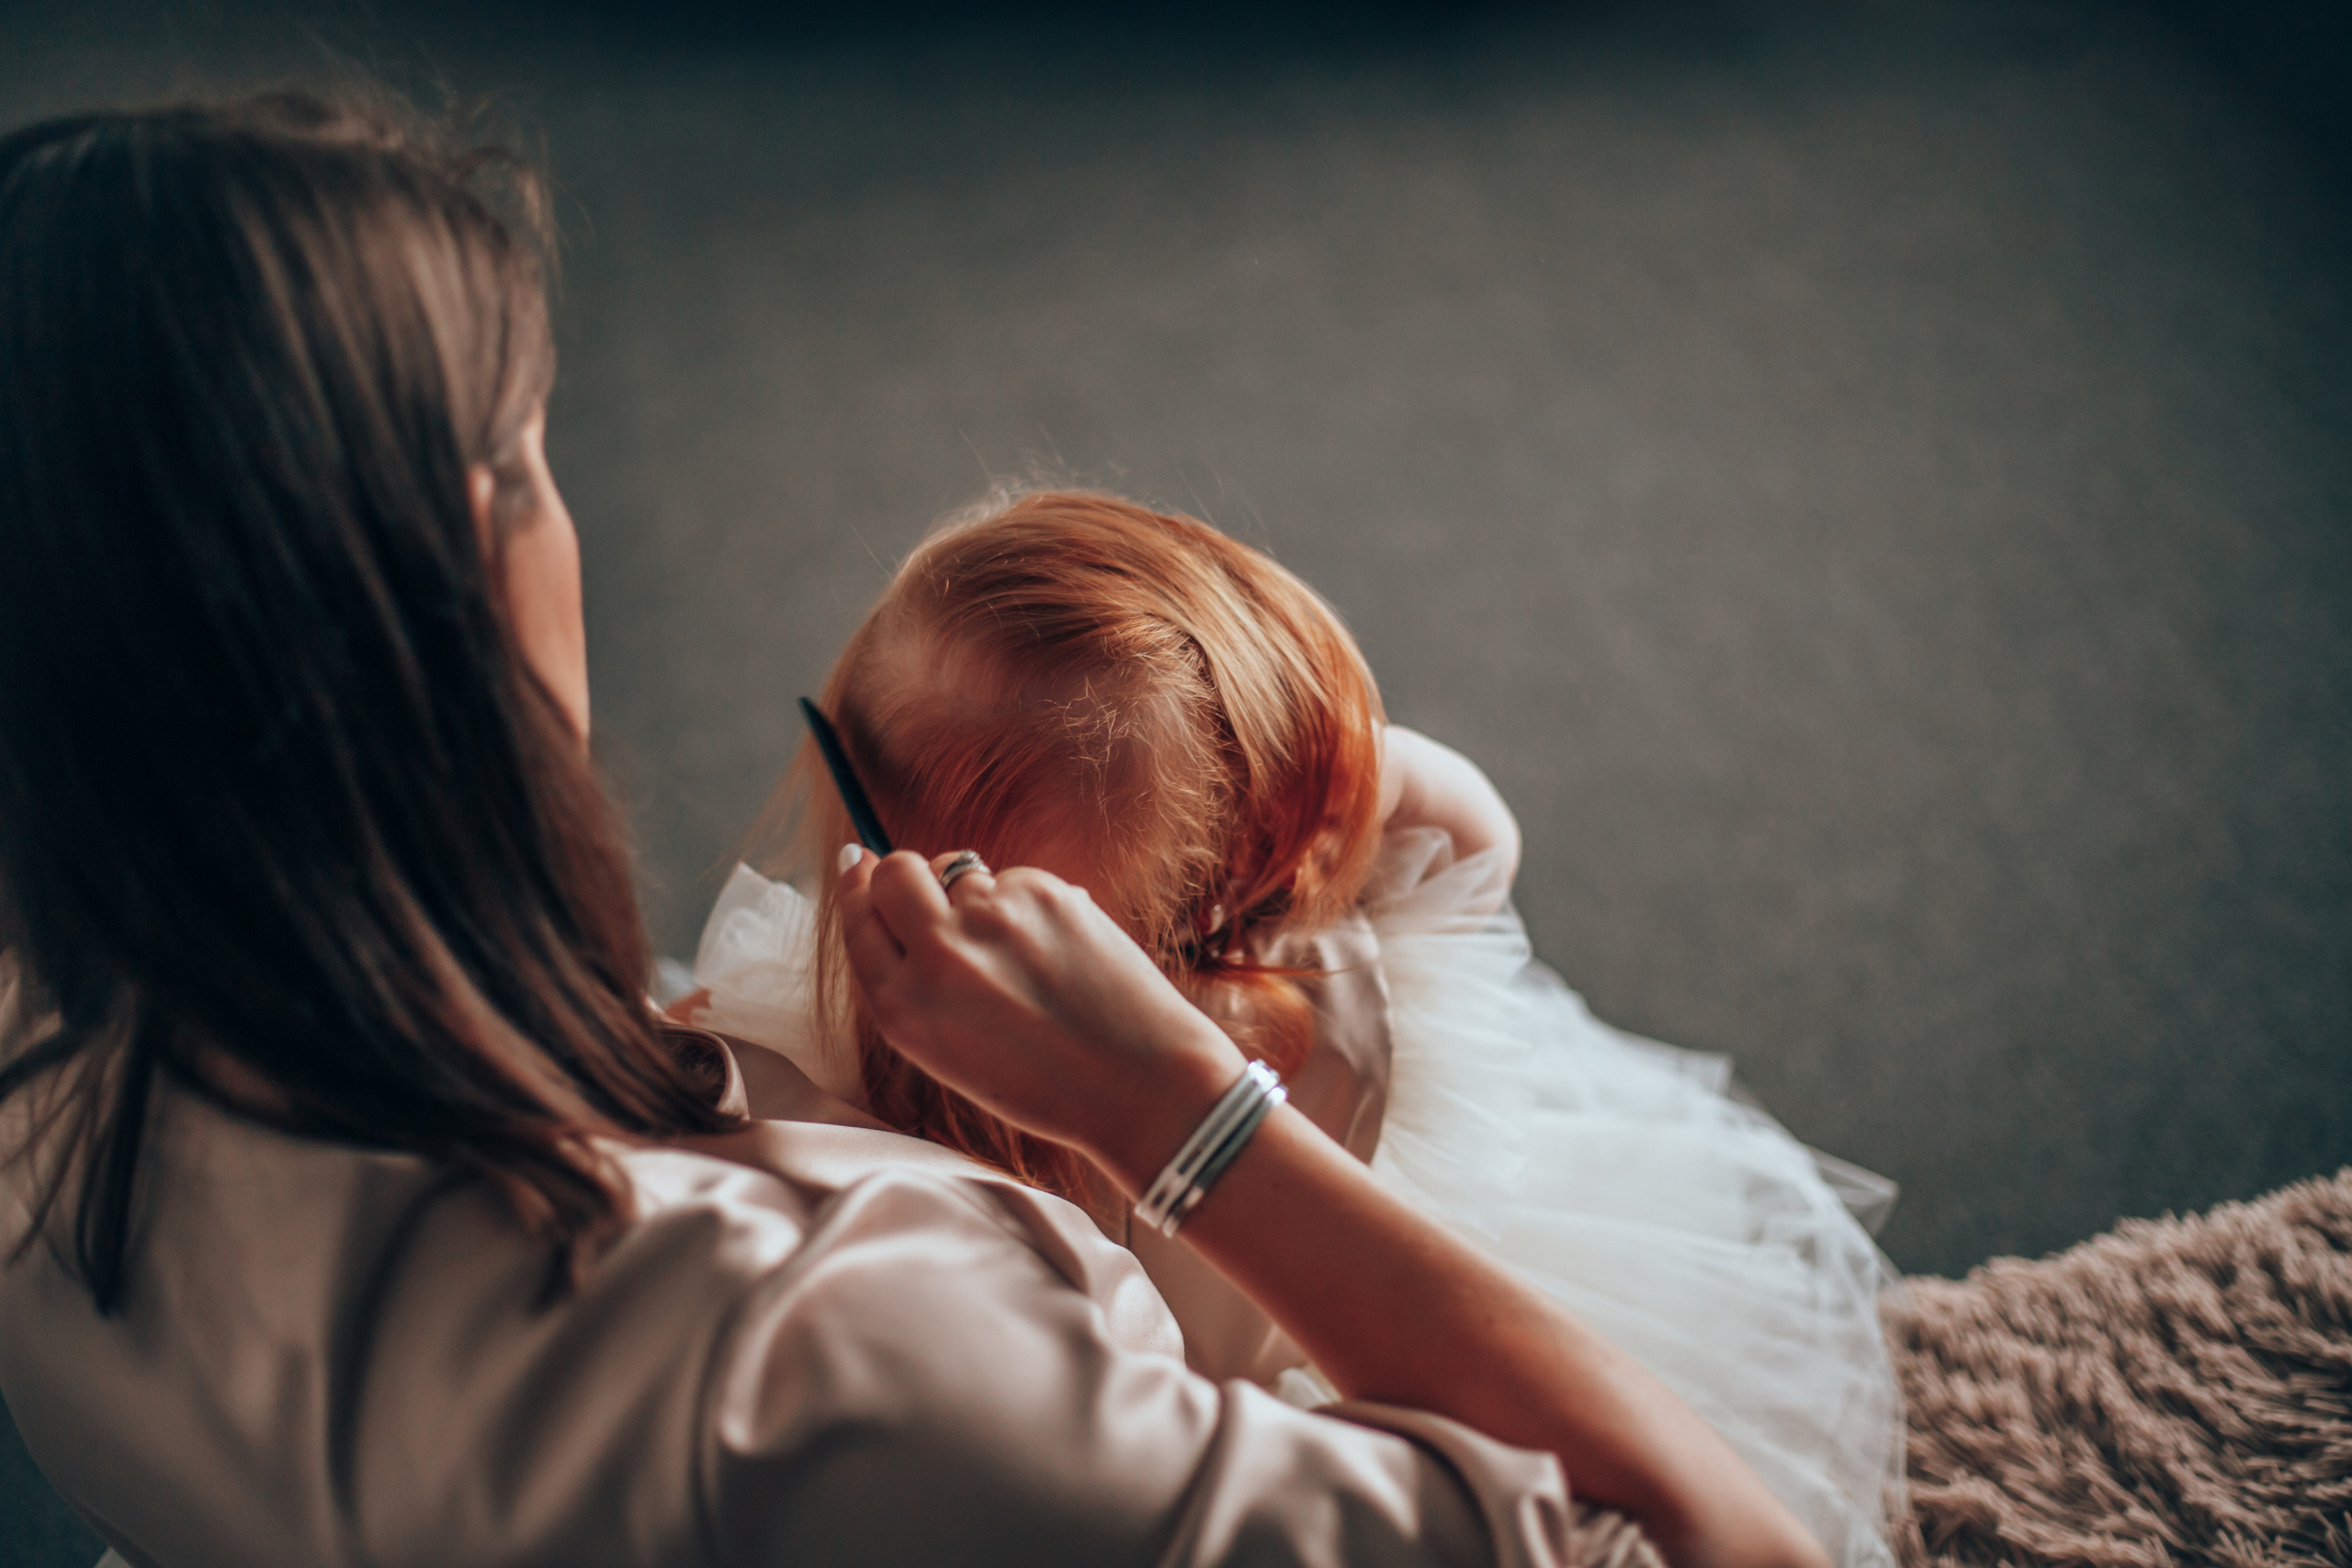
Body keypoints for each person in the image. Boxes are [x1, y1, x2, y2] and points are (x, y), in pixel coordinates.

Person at [0, 94, 1830, 1568]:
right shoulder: (838, 1345)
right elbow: (1722, 1543)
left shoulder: (45, 1062)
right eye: (534, 448)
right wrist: (1178, 1116)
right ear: (478, 564)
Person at [690, 493, 1904, 1565]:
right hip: (1310, 1372)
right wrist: (1344, 783)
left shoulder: (851, 1061)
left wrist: (1350, 780)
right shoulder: (1319, 987)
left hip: (1282, 1363)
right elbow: (1476, 848)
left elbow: (1470, 849)